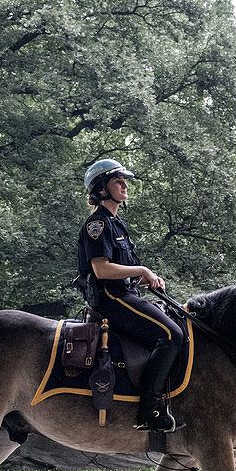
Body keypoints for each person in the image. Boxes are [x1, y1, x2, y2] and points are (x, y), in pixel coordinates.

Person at [77, 159, 183, 432]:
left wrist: (143, 279)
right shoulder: (97, 224)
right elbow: (101, 270)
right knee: (171, 335)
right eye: (118, 182)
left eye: (124, 181)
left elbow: (120, 269)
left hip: (126, 293)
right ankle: (149, 409)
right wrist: (143, 269)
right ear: (101, 189)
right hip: (111, 300)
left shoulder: (117, 224)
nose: (125, 186)